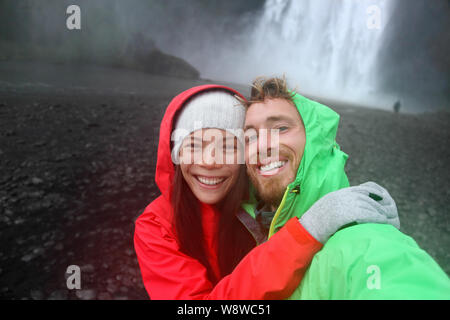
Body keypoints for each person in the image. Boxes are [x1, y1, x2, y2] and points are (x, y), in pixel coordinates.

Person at [134, 84, 399, 300]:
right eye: (193, 145)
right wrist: (307, 231)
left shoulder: (266, 197)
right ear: (174, 154)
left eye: (228, 146)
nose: (210, 161)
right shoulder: (156, 227)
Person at [242, 76, 450, 299]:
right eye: (250, 137)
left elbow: (396, 276)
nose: (262, 145)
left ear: (315, 141)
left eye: (281, 128)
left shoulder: (363, 242)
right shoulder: (242, 229)